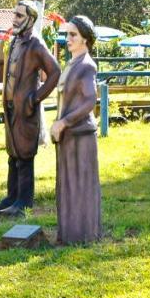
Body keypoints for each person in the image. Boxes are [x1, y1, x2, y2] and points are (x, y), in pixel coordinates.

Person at [0, 1, 60, 216]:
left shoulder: (36, 45)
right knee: (12, 154)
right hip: (11, 108)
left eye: (20, 16)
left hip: (26, 109)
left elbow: (55, 72)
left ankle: (23, 201)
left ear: (31, 19)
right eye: (15, 14)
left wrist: (35, 98)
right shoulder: (15, 42)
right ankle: (12, 196)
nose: (15, 19)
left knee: (24, 155)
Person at [50, 15, 101, 244]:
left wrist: (64, 122)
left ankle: (82, 235)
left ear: (85, 40)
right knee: (68, 186)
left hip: (80, 135)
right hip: (69, 136)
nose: (68, 39)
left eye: (73, 35)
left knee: (79, 186)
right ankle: (69, 234)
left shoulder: (86, 66)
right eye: (67, 34)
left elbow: (90, 101)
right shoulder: (73, 63)